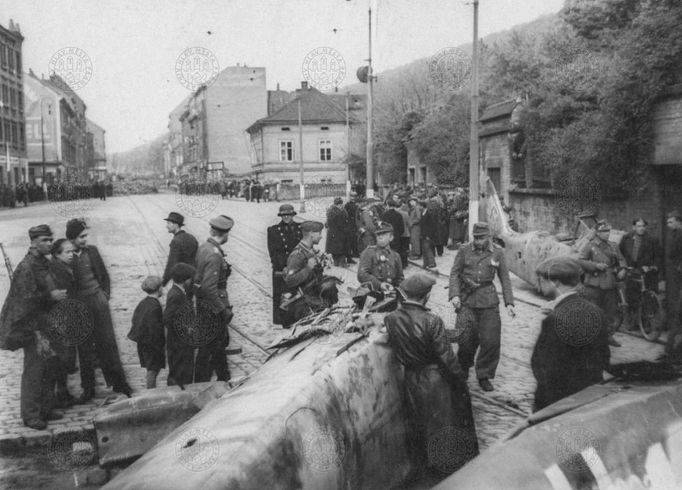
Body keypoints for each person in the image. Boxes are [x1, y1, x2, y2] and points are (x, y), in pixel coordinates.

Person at [384, 273, 478, 478]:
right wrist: (460, 381)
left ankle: (423, 470)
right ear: (425, 296)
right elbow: (446, 358)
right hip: (434, 379)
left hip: (411, 378)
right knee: (442, 425)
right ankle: (447, 473)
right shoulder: (432, 320)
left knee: (419, 425)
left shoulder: (391, 319)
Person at [0, 225, 66, 430]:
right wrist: (50, 296)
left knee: (49, 366)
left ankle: (46, 408)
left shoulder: (41, 263)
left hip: (46, 322)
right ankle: (30, 415)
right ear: (33, 242)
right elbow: (23, 300)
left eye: (50, 240)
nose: (49, 243)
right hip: (32, 326)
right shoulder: (27, 266)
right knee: (34, 370)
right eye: (45, 240)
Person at [531, 257, 610, 412]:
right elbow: (604, 357)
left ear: (556, 283)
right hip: (589, 399)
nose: (538, 284)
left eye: (542, 280)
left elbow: (541, 366)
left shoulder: (555, 318)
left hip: (557, 402)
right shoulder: (597, 312)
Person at [67, 218, 131, 401]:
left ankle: (119, 382)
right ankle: (88, 388)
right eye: (81, 237)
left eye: (85, 236)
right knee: (85, 348)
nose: (85, 240)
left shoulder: (92, 252)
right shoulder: (68, 257)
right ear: (71, 238)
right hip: (80, 305)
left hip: (98, 301)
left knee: (108, 343)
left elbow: (104, 276)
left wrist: (104, 296)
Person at [449, 222, 515, 392]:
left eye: (481, 238)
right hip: (467, 300)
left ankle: (484, 374)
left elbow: (505, 279)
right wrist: (455, 295)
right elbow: (454, 273)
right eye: (476, 238)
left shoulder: (498, 252)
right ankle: (463, 367)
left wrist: (509, 303)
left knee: (491, 340)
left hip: (488, 300)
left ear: (489, 237)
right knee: (465, 340)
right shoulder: (464, 250)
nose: (478, 241)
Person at [194, 215, 234, 382]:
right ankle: (216, 381)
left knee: (213, 347)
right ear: (224, 234)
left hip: (205, 305)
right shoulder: (215, 254)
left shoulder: (204, 247)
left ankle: (218, 379)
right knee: (214, 347)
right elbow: (209, 288)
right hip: (213, 308)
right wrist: (222, 310)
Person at [578, 220, 626, 347]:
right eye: (604, 231)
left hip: (610, 283)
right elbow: (581, 261)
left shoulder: (613, 246)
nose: (607, 234)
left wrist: (622, 269)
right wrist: (595, 265)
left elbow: (621, 259)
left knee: (611, 313)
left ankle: (608, 336)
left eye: (608, 231)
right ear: (598, 233)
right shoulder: (590, 245)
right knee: (593, 312)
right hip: (594, 284)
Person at [283, 221, 338, 323]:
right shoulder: (297, 255)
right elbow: (289, 281)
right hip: (305, 305)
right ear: (311, 233)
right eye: (319, 233)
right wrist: (308, 267)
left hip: (315, 298)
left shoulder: (310, 250)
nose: (321, 237)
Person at [46, 238, 79, 408]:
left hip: (68, 316)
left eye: (73, 251)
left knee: (66, 357)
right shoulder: (54, 269)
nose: (72, 254)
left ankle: (63, 392)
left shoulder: (65, 266)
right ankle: (60, 394)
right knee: (61, 358)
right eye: (67, 252)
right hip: (60, 319)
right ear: (57, 254)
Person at [619, 218, 662, 330]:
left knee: (647, 300)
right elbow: (621, 253)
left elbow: (658, 256)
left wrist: (652, 267)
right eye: (638, 226)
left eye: (643, 226)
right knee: (632, 298)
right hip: (632, 272)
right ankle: (633, 323)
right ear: (634, 227)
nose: (641, 228)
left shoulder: (652, 240)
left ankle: (646, 324)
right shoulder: (626, 238)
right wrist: (624, 266)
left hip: (647, 274)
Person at [267, 204, 302, 328]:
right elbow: (273, 252)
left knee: (298, 294)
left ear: (293, 215)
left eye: (289, 215)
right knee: (283, 295)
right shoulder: (273, 231)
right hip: (282, 268)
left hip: (297, 267)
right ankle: (285, 322)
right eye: (284, 215)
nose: (286, 217)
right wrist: (283, 267)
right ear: (280, 216)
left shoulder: (300, 229)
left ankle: (299, 318)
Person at [128, 276, 165, 389]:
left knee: (152, 370)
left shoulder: (143, 303)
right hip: (152, 345)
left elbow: (135, 320)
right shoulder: (155, 305)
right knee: (152, 371)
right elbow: (155, 328)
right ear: (158, 289)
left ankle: (150, 391)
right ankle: (150, 393)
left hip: (143, 343)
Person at [164, 263, 197, 387]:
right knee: (179, 375)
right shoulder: (175, 295)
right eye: (190, 279)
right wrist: (186, 329)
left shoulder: (180, 292)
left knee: (186, 373)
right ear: (184, 280)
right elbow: (168, 319)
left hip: (183, 343)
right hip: (178, 344)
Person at [357, 222, 404, 292]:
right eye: (378, 234)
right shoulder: (369, 252)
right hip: (373, 293)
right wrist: (379, 284)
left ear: (391, 238)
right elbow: (362, 275)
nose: (380, 236)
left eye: (384, 234)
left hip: (391, 293)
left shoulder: (395, 256)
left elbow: (400, 278)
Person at [161, 212, 198, 287]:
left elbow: (171, 264)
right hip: (194, 278)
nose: (166, 226)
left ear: (176, 225)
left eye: (168, 223)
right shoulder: (192, 237)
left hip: (182, 281)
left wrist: (163, 282)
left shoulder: (176, 241)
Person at [665, 211, 682, 353]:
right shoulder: (674, 233)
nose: (668, 225)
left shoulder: (680, 233)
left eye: (670, 222)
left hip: (678, 273)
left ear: (678, 221)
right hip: (673, 273)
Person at [325, 197, 350, 266]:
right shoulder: (337, 212)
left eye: (341, 204)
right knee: (342, 248)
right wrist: (346, 229)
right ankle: (342, 263)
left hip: (332, 233)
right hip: (339, 233)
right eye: (339, 205)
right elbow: (341, 224)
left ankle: (336, 262)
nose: (341, 206)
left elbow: (327, 224)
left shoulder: (331, 211)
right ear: (337, 205)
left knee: (335, 249)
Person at [380, 198, 406, 264]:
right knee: (396, 252)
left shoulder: (384, 215)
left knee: (387, 252)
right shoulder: (399, 215)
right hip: (396, 236)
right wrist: (397, 234)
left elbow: (382, 227)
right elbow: (402, 228)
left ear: (388, 205)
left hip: (387, 236)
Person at [344, 192, 360, 261]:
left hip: (355, 222)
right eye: (352, 196)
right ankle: (352, 253)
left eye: (354, 196)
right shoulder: (347, 205)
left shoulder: (356, 204)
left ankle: (355, 252)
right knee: (351, 238)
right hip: (350, 223)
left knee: (355, 238)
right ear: (350, 197)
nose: (353, 198)